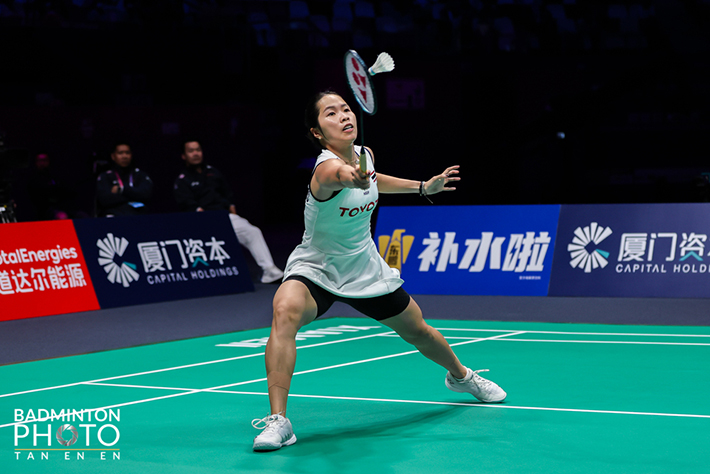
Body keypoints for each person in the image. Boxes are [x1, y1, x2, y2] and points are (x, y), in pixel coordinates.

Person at [251, 91, 507, 452]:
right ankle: (279, 420)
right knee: (284, 311)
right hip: (317, 267)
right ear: (317, 133)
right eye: (331, 113)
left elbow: (374, 178)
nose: (344, 116)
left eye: (346, 109)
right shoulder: (325, 169)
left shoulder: (366, 155)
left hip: (364, 266)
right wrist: (353, 177)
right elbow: (345, 176)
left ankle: (461, 377)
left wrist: (422, 187)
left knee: (418, 331)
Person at [173, 140, 284, 284]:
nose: (195, 153)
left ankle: (270, 270)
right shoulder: (182, 180)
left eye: (198, 150)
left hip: (224, 217)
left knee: (252, 231)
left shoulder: (213, 172)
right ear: (183, 156)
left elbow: (227, 194)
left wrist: (232, 209)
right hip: (202, 221)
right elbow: (187, 204)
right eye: (191, 151)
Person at [95, 142, 153, 217]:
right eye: (120, 153)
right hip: (114, 216)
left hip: (138, 215)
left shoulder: (140, 175)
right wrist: (134, 195)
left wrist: (122, 190)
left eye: (127, 153)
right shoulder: (105, 177)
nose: (124, 156)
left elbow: (146, 195)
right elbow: (104, 200)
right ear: (113, 156)